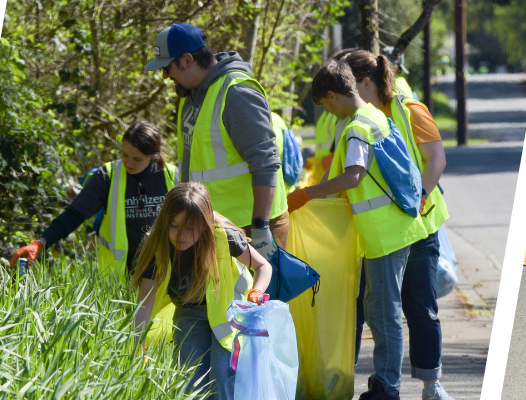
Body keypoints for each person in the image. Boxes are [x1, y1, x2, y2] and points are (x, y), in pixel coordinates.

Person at [289, 60, 430, 400]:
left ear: (333, 95)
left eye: (325, 105)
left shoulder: (356, 127)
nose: (328, 112)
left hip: (385, 234)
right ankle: (384, 383)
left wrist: (306, 194)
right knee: (380, 308)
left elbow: (353, 176)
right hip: (394, 227)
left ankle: (387, 388)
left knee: (383, 312)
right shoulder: (373, 115)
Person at [338, 49, 455, 400]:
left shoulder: (409, 110)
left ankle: (431, 385)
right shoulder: (355, 118)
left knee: (420, 308)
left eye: (348, 84)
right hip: (379, 233)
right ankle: (367, 383)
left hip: (419, 226)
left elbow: (436, 159)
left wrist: (419, 197)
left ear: (365, 83)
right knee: (370, 310)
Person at [144, 23, 291, 259]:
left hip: (252, 228)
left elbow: (264, 162)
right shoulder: (191, 96)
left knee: (262, 285)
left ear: (188, 59)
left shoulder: (237, 93)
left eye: (167, 67)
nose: (165, 75)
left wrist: (261, 227)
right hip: (215, 225)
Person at [12, 122, 175, 327]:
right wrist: (40, 242)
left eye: (137, 159)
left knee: (154, 333)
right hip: (118, 278)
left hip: (162, 273)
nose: (129, 163)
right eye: (124, 154)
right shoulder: (109, 175)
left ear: (154, 155)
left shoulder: (172, 176)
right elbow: (75, 214)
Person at [130, 182, 271, 400]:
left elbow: (263, 266)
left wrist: (256, 292)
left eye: (190, 228)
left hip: (227, 311)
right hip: (188, 313)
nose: (181, 236)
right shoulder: (158, 246)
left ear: (205, 225)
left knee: (223, 375)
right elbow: (144, 304)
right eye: (174, 226)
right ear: (165, 221)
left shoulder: (224, 237)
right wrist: (138, 344)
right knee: (191, 381)